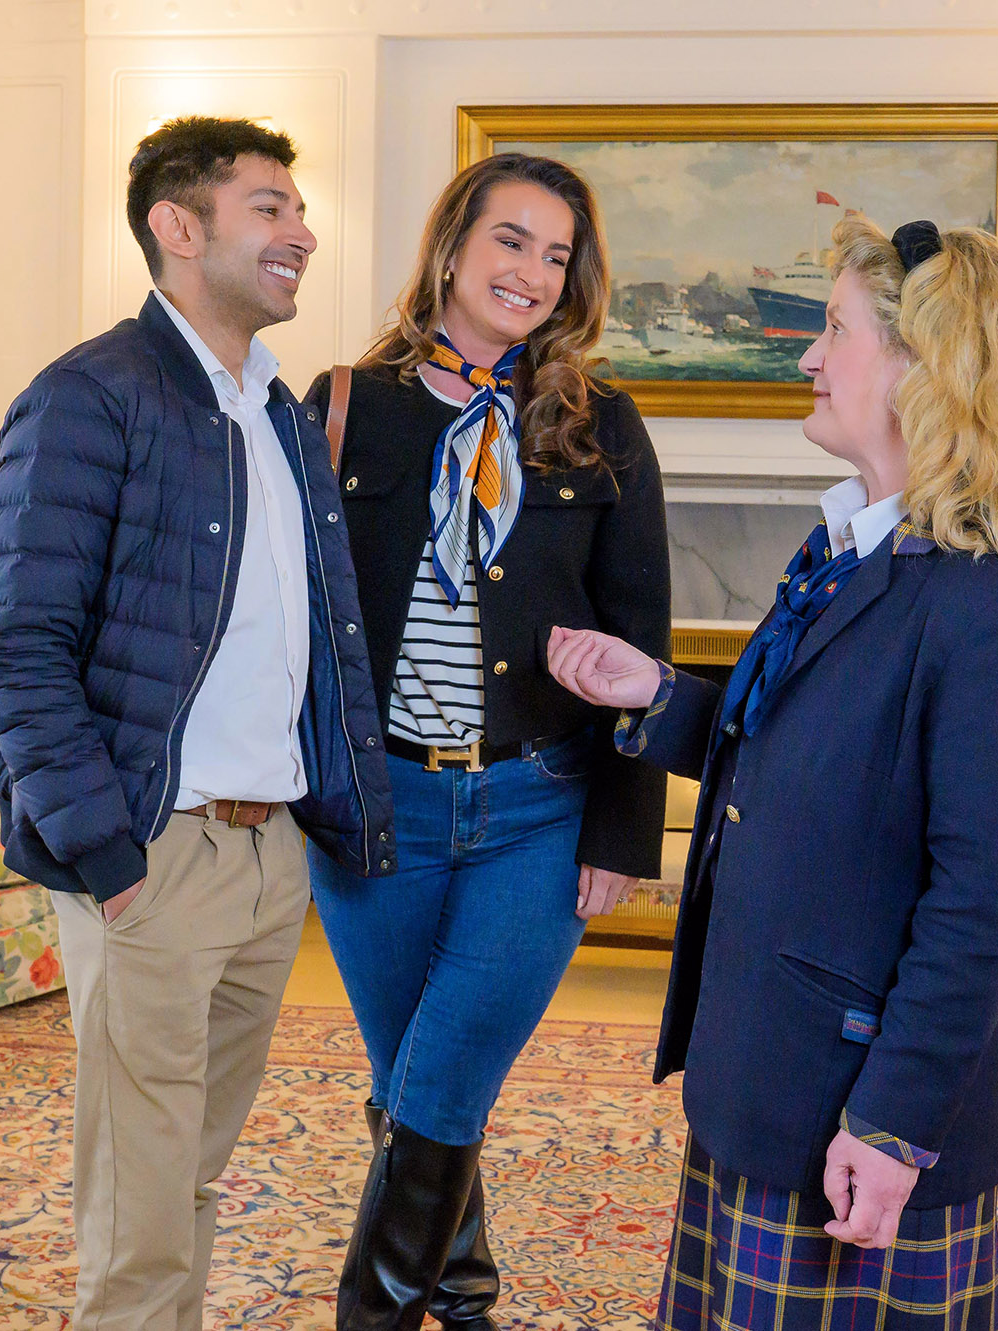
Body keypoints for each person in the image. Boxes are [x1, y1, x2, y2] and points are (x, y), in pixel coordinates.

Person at [548, 211, 998, 1329]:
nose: (805, 353)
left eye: (833, 328)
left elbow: (976, 907)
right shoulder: (847, 554)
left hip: (863, 1097)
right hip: (767, 1068)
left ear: (924, 368)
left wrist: (892, 1124)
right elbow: (805, 759)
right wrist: (655, 694)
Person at [0, 115, 395, 1331]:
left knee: (189, 1173)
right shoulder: (86, 396)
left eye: (296, 210)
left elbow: (322, 640)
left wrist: (330, 818)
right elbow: (15, 647)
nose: (302, 233)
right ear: (177, 225)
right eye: (269, 207)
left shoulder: (276, 411)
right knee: (140, 1204)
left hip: (268, 858)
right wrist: (108, 857)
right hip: (154, 850)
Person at [307, 151, 670, 1331]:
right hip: (379, 811)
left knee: (446, 1071)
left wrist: (623, 826)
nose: (530, 271)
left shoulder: (601, 422)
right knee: (410, 1078)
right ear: (453, 243)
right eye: (510, 239)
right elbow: (295, 615)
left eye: (556, 254)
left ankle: (376, 1313)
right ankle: (460, 1291)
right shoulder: (342, 402)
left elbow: (640, 636)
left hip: (538, 805)